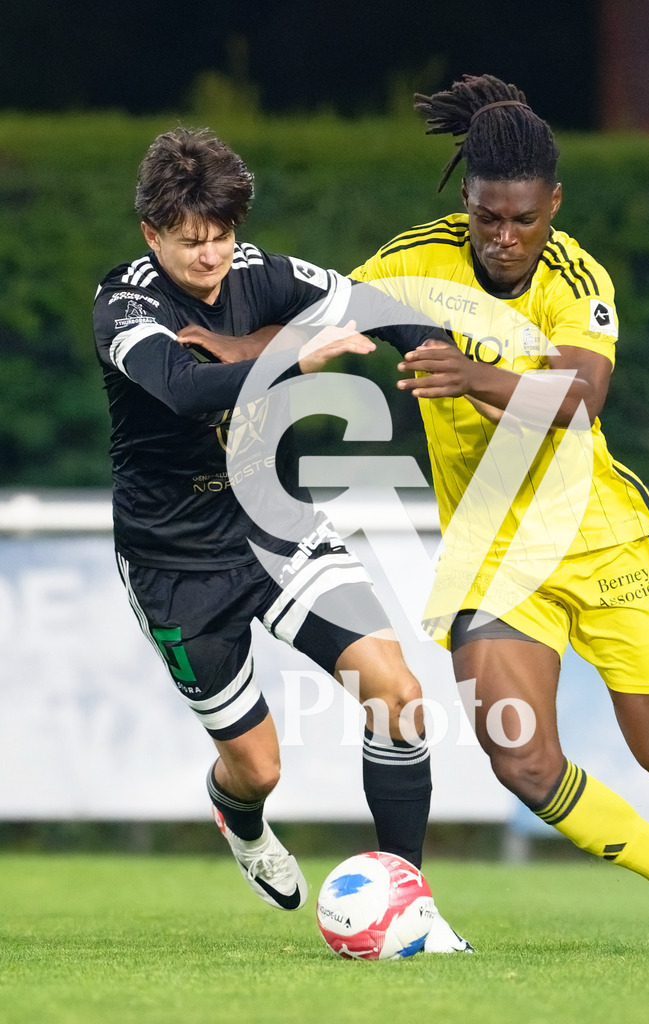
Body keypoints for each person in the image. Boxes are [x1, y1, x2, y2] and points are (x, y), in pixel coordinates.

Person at [347, 73, 649, 955]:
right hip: (492, 555)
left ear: (555, 205)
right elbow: (319, 315)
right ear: (465, 200)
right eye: (487, 217)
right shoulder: (410, 262)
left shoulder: (577, 276)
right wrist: (234, 352)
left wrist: (477, 376)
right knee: (523, 759)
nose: (505, 238)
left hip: (600, 538)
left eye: (525, 220)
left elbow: (583, 393)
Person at [92, 126, 470, 953]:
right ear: (152, 235)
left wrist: (450, 366)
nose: (211, 257)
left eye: (222, 236)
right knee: (259, 768)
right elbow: (186, 390)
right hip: (173, 561)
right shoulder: (123, 306)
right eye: (190, 242)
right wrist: (297, 359)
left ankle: (414, 908)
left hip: (275, 527)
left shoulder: (258, 272)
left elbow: (371, 304)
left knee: (400, 696)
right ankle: (239, 816)